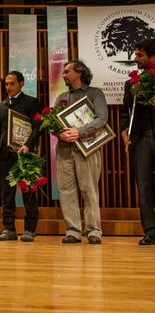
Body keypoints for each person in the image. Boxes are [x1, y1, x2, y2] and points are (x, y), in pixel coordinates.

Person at [55, 60, 107, 245]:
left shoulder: (95, 93)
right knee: (66, 190)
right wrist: (60, 133)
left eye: (67, 71)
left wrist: (80, 131)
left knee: (89, 189)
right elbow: (53, 122)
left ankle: (94, 231)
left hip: (87, 148)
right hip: (64, 149)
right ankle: (73, 231)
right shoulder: (61, 97)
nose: (64, 75)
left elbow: (102, 119)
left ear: (79, 73)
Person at [0, 71, 41, 242]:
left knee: (28, 192)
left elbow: (37, 128)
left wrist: (28, 146)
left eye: (12, 83)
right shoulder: (1, 105)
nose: (8, 87)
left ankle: (30, 230)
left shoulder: (31, 102)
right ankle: (9, 229)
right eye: (6, 84)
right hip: (6, 155)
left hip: (25, 155)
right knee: (7, 194)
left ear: (21, 83)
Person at [120, 38, 155, 245]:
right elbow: (125, 112)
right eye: (135, 54)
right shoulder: (132, 84)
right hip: (141, 139)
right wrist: (124, 129)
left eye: (140, 55)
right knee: (143, 185)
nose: (135, 58)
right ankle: (151, 230)